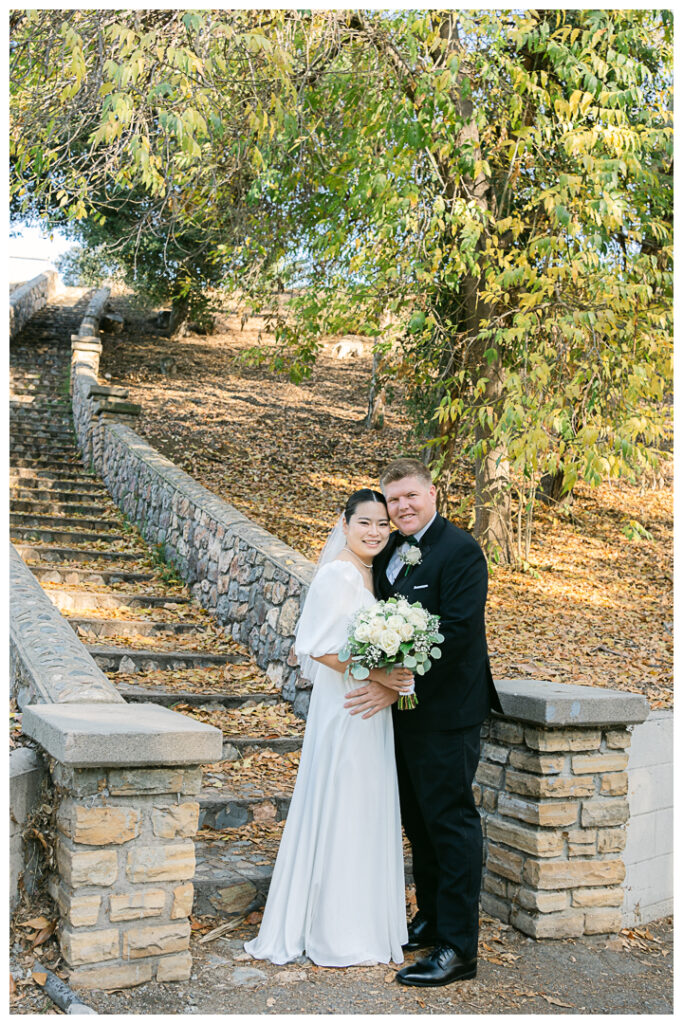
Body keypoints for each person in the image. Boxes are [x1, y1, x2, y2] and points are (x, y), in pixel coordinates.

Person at [344, 458, 503, 987]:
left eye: (410, 496)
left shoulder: (461, 551)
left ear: (432, 493)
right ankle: (432, 918)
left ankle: (459, 948)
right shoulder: (389, 549)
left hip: (448, 711)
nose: (402, 507)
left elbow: (456, 632)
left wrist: (396, 679)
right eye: (393, 501)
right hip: (403, 714)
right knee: (418, 821)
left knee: (451, 824)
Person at [244, 488, 414, 967]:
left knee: (365, 805)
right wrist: (380, 675)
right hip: (345, 709)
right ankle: (335, 929)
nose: (376, 531)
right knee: (343, 801)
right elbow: (315, 647)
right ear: (344, 524)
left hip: (368, 711)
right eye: (365, 523)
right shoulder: (339, 573)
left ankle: (362, 923)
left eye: (383, 524)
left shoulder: (373, 572)